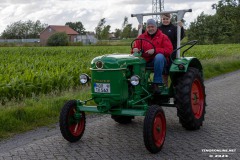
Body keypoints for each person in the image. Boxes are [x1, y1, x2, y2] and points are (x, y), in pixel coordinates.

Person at [132, 19, 173, 93]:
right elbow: (134, 49)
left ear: (156, 27)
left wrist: (155, 51)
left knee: (159, 56)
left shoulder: (163, 37)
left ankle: (156, 83)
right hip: (145, 60)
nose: (150, 28)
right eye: (148, 27)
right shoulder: (141, 37)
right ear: (146, 28)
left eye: (152, 26)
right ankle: (135, 83)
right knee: (133, 60)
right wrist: (134, 50)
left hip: (159, 61)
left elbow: (169, 50)